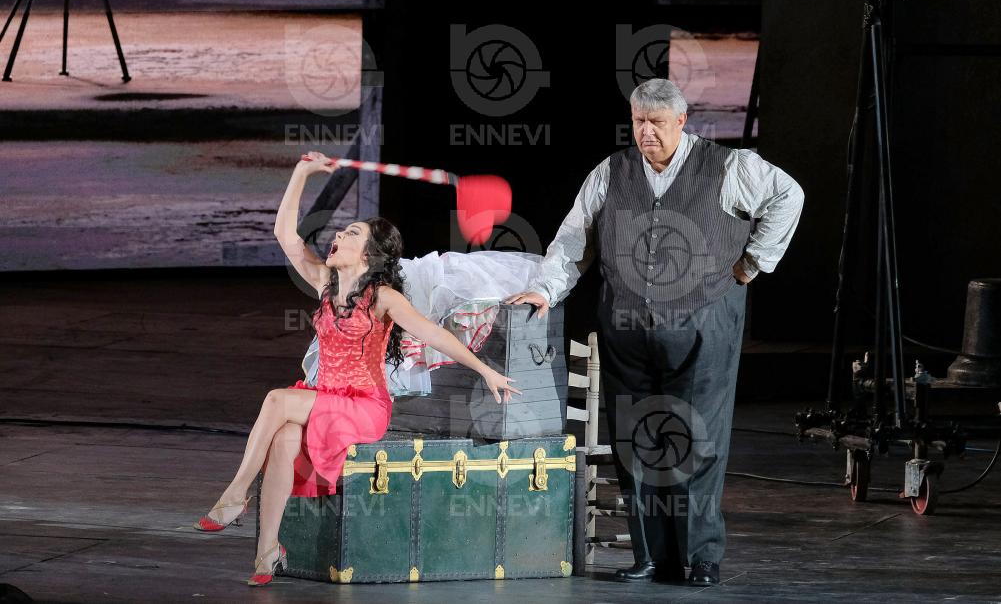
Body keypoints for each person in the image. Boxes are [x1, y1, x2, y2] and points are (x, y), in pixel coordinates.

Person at [506, 78, 804, 586]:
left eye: (657, 123)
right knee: (635, 438)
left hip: (704, 322)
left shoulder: (729, 167)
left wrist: (753, 263)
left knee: (698, 438)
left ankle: (701, 556)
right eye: (639, 121)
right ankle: (651, 555)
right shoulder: (611, 172)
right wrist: (545, 290)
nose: (647, 132)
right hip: (626, 327)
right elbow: (573, 239)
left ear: (681, 122)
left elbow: (789, 195)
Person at [192, 151, 522, 586]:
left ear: (368, 254)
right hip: (327, 398)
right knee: (284, 437)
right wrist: (302, 172)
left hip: (364, 406)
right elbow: (284, 234)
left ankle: (236, 494)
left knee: (276, 400)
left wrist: (485, 370)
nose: (337, 236)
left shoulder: (384, 298)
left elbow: (434, 334)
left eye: (351, 233)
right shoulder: (324, 285)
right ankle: (267, 551)